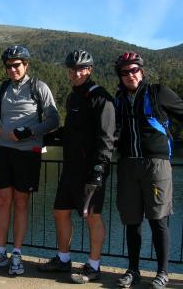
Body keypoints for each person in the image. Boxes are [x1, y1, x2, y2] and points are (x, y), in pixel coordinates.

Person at [37, 50, 115, 284]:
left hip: (91, 169)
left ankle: (93, 266)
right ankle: (63, 259)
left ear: (90, 70)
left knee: (92, 216)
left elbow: (106, 137)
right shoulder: (74, 97)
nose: (76, 73)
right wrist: (46, 137)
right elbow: (72, 131)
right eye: (72, 69)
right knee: (60, 211)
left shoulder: (100, 96)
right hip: (71, 168)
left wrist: (99, 169)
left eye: (82, 69)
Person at [0, 45, 59, 275]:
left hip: (28, 152)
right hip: (4, 150)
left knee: (21, 203)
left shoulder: (39, 87)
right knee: (2, 202)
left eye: (17, 65)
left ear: (26, 65)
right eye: (9, 66)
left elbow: (54, 119)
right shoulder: (2, 88)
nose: (13, 69)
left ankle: (16, 253)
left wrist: (29, 131)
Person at [113, 52, 183, 289]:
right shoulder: (119, 99)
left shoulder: (157, 92)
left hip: (156, 165)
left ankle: (162, 272)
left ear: (142, 71)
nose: (130, 75)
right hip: (127, 164)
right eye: (125, 72)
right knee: (131, 222)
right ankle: (133, 270)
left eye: (134, 70)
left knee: (158, 221)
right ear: (120, 77)